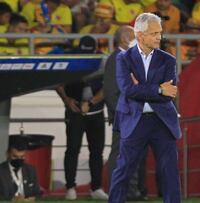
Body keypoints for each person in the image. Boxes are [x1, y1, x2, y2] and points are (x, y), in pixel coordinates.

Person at [109, 13, 181, 203]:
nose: (159, 37)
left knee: (170, 172)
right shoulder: (123, 59)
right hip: (134, 119)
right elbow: (128, 90)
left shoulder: (168, 60)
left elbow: (170, 91)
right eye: (154, 33)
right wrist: (158, 88)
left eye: (160, 32)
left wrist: (141, 87)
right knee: (123, 170)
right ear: (140, 35)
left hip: (162, 121)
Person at [56, 36, 108, 201]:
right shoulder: (70, 58)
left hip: (96, 113)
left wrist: (92, 103)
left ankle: (96, 187)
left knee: (97, 151)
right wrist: (66, 100)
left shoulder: (104, 60)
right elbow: (57, 82)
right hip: (75, 111)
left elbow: (108, 86)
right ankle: (70, 187)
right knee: (72, 149)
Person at [104, 26, 148, 200]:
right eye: (133, 35)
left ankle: (132, 189)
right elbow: (110, 91)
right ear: (124, 39)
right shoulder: (116, 59)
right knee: (119, 153)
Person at [0, 135, 41, 201]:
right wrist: (11, 199)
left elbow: (37, 194)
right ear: (7, 154)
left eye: (22, 157)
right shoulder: (1, 171)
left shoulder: (31, 170)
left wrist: (33, 199)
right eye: (15, 156)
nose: (19, 159)